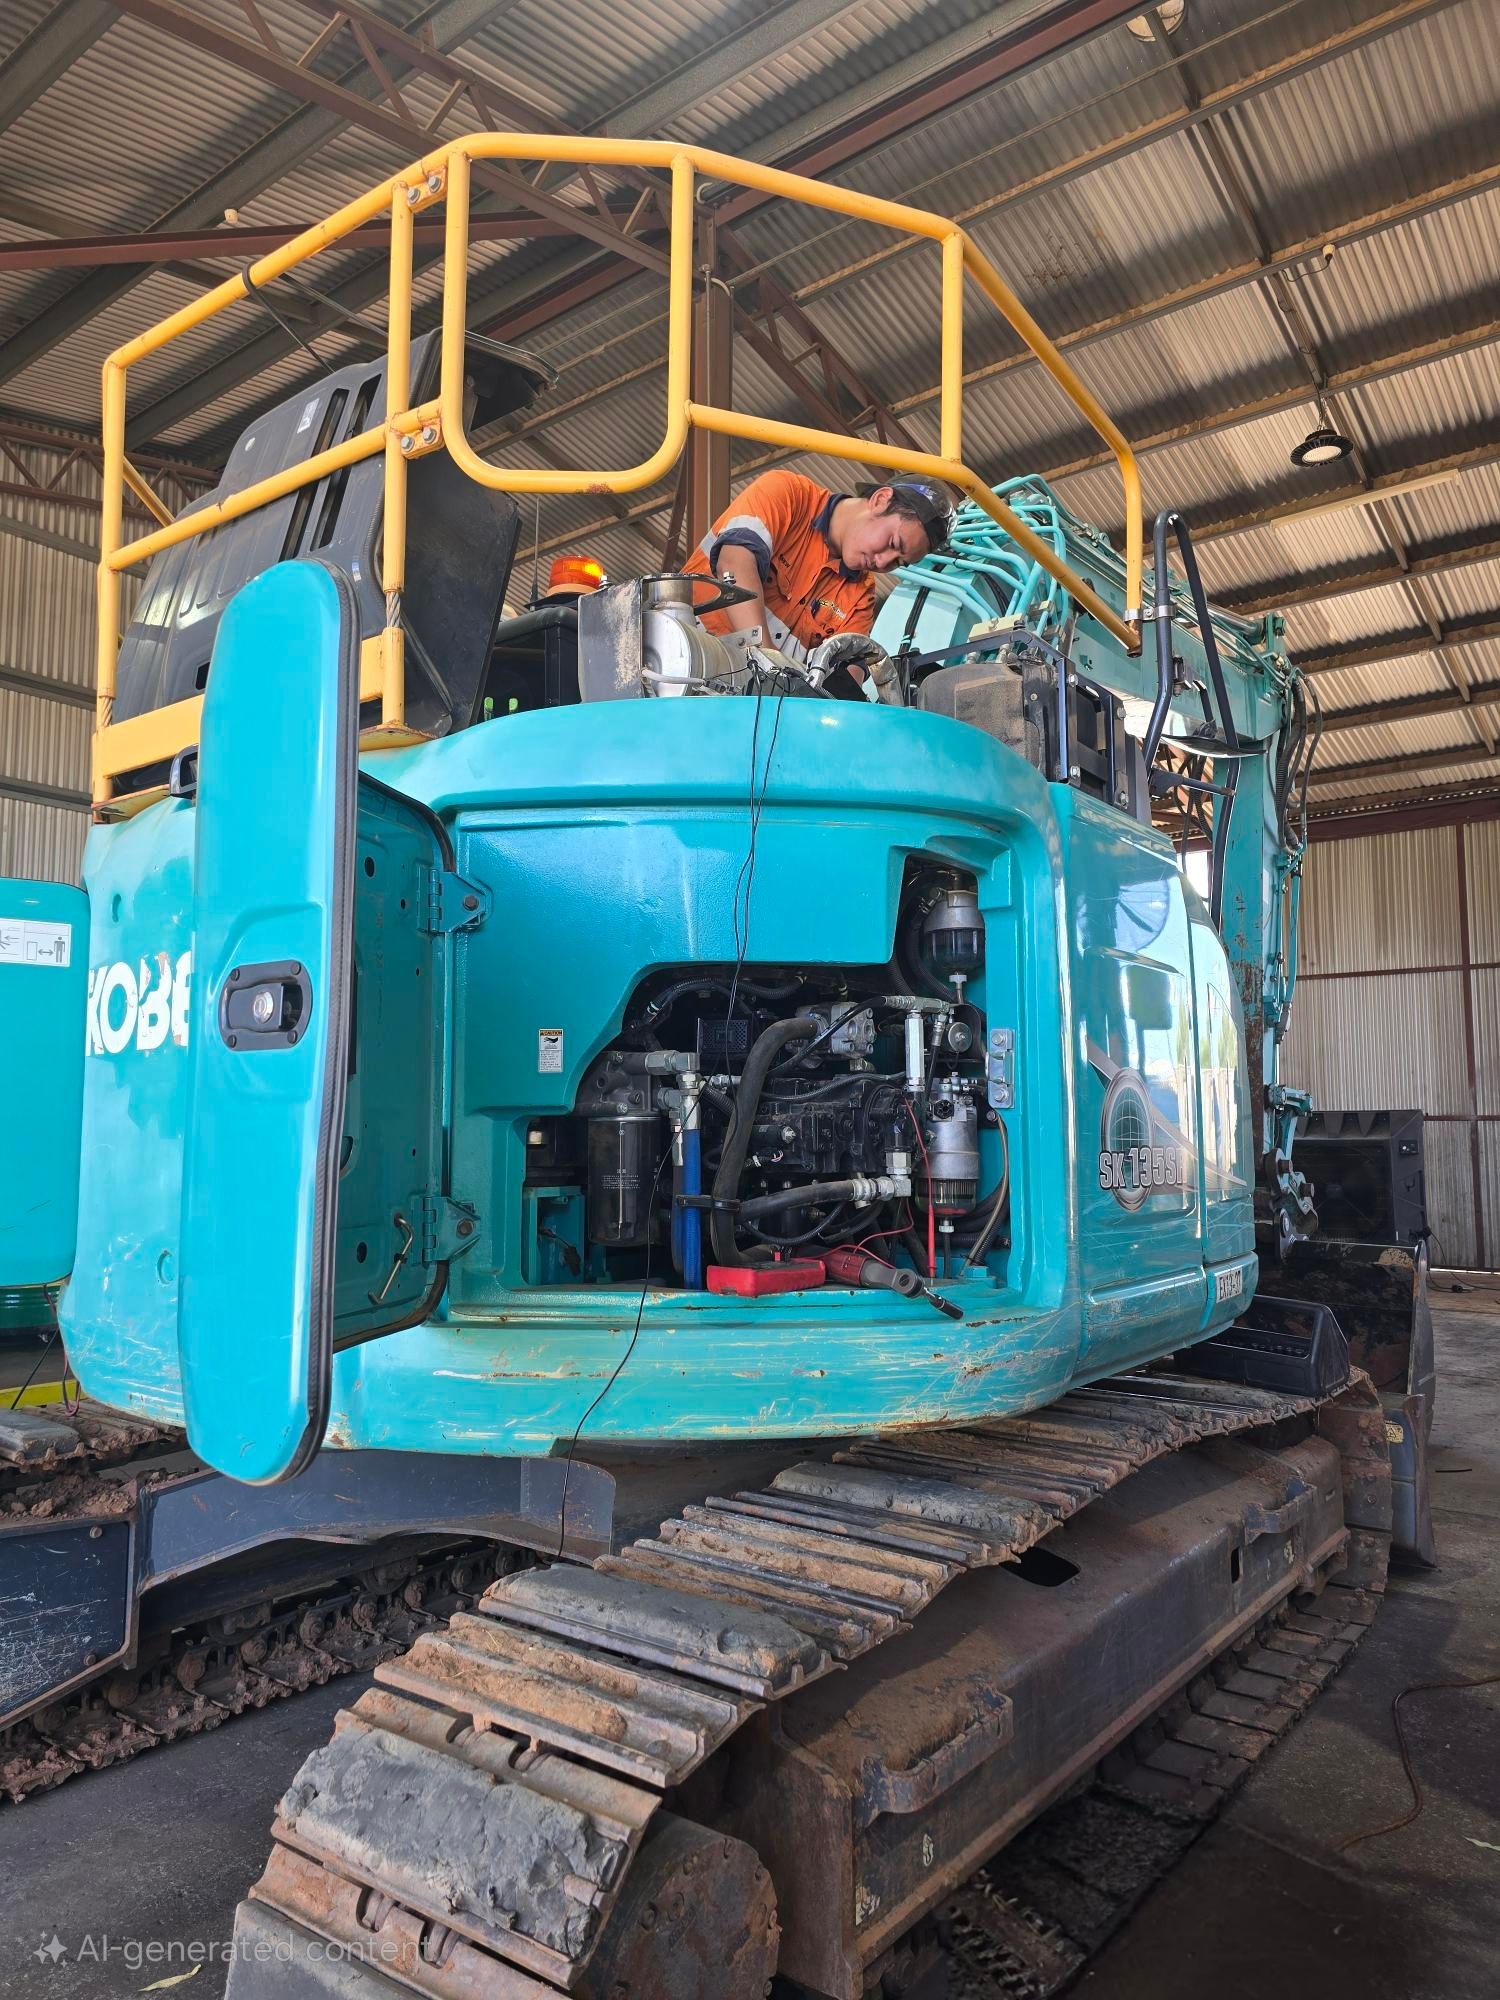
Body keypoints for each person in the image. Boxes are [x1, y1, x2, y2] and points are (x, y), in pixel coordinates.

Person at [682, 468, 957, 686]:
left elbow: (845, 682)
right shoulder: (788, 494)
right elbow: (734, 561)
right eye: (893, 543)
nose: (883, 561)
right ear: (880, 499)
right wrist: (769, 665)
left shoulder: (860, 597)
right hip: (679, 659)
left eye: (898, 562)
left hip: (740, 704)